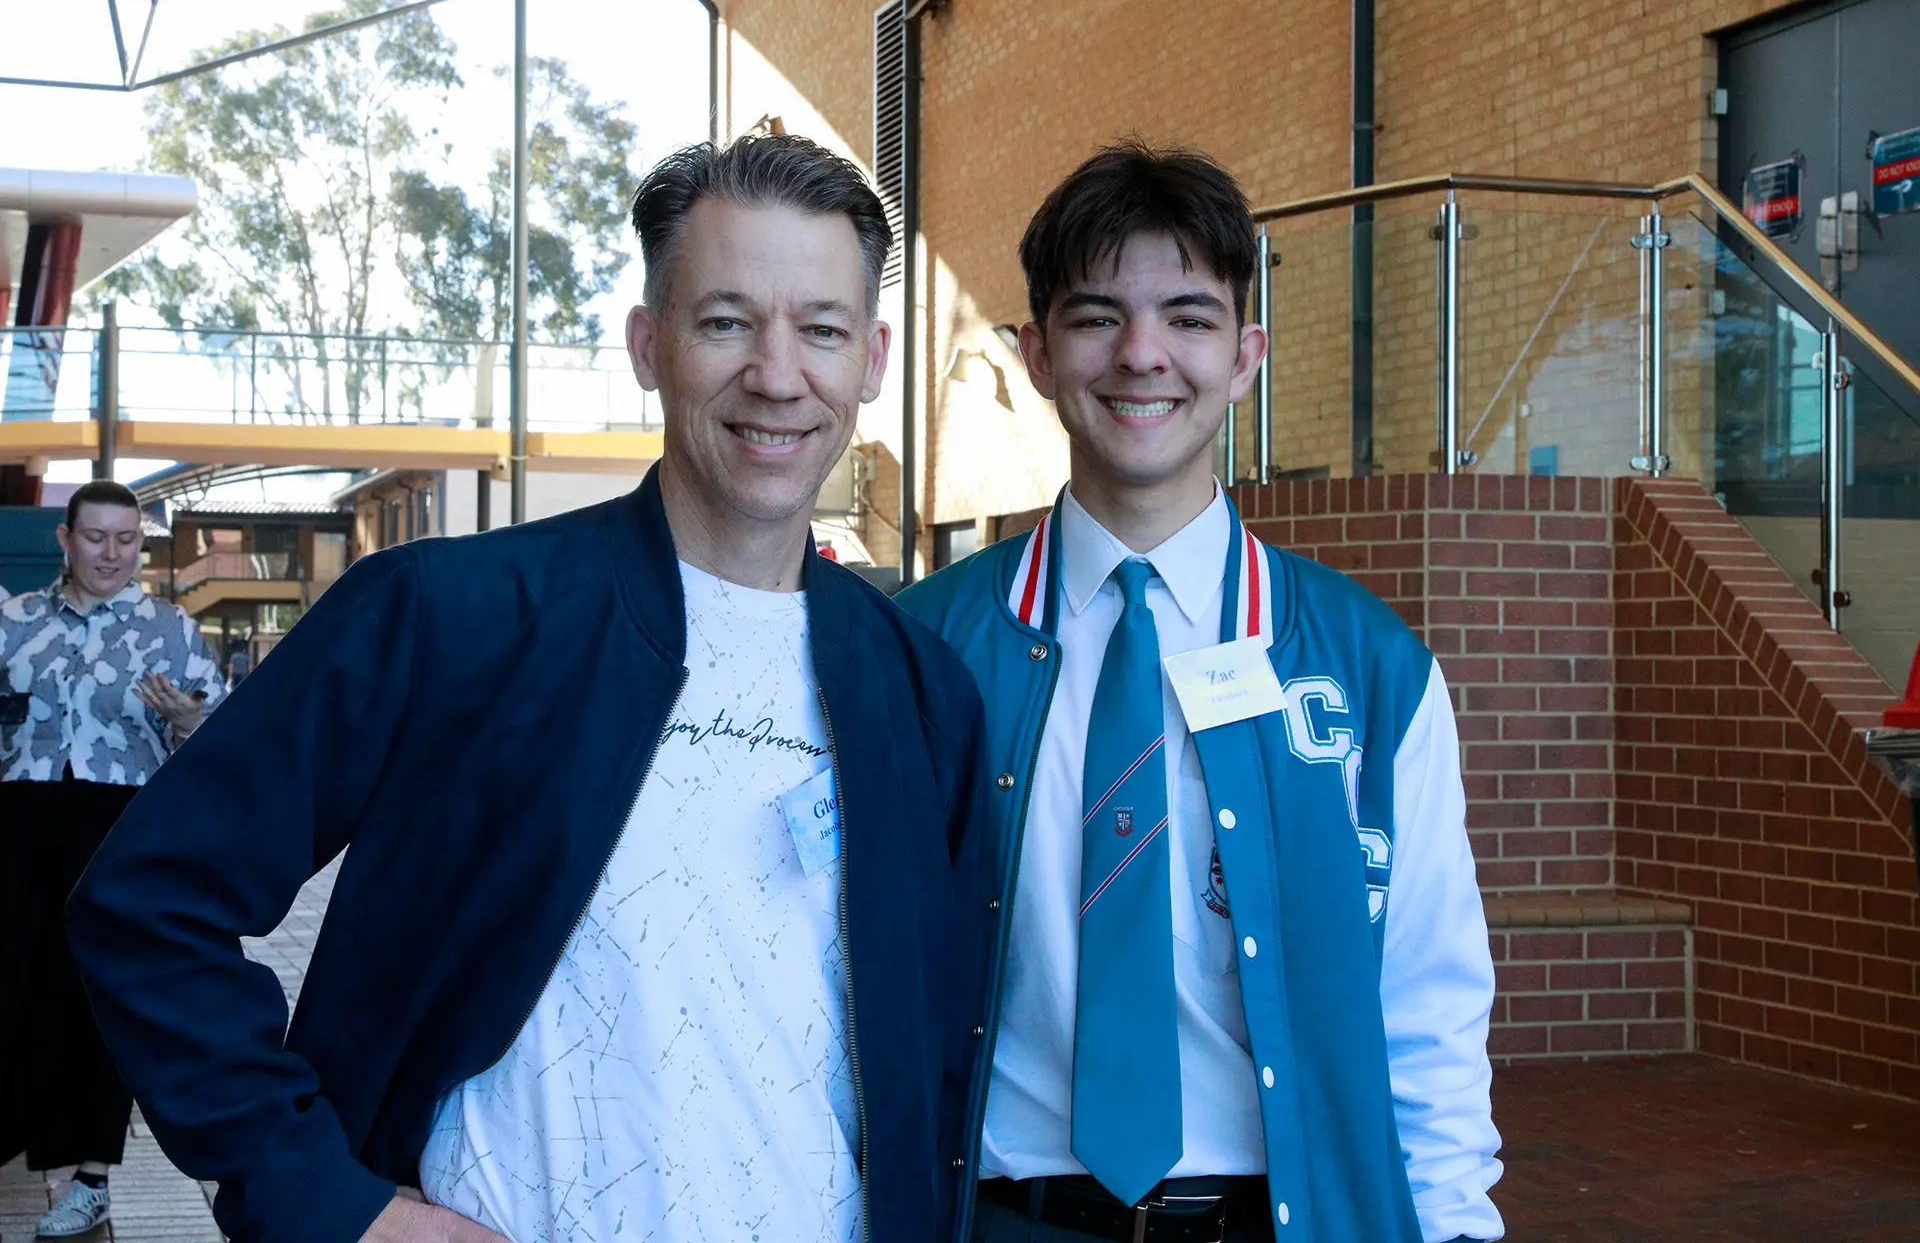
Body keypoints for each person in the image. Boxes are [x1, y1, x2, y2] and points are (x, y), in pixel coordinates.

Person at [67, 134, 992, 1243]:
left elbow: (938, 1054)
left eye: (823, 330)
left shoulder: (919, 693)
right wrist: (324, 1199)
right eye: (726, 321)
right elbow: (149, 903)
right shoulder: (450, 618)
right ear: (648, 344)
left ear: (874, 360)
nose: (778, 374)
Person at [898, 142, 1504, 1243]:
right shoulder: (926, 650)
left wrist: (1456, 1226)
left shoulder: (1369, 665)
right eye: (1096, 317)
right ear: (1037, 354)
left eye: (1188, 317)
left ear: (1244, 356)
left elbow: (1429, 1004)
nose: (1142, 355)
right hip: (1001, 1220)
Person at [1, 480, 224, 1238]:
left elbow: (224, 739)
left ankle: (90, 1177)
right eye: (95, 538)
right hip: (19, 825)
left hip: (119, 829)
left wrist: (188, 721)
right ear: (65, 540)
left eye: (126, 540)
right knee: (13, 987)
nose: (111, 554)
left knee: (98, 996)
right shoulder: (14, 622)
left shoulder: (171, 630)